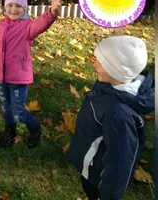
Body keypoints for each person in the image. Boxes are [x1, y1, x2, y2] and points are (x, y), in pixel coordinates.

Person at [0, 0, 64, 148]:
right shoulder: (0, 26)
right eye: (10, 5)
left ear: (24, 8)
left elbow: (41, 25)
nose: (14, 9)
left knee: (18, 111)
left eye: (18, 6)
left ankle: (35, 129)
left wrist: (52, 12)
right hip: (1, 76)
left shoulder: (28, 27)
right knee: (6, 108)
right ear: (5, 7)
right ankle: (10, 131)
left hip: (18, 77)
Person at [66, 35, 155, 200]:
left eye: (100, 63)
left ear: (115, 70)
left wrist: (108, 195)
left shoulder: (119, 115)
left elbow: (120, 162)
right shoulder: (111, 83)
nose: (94, 64)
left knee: (91, 192)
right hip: (91, 154)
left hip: (98, 177)